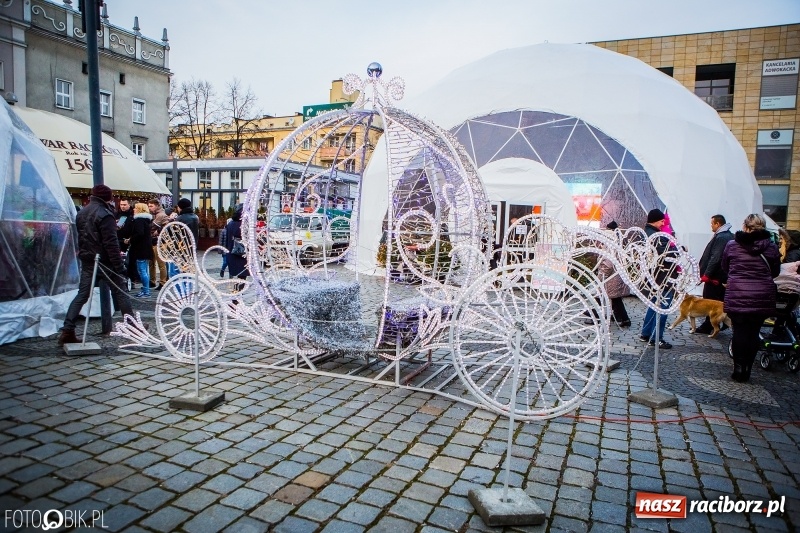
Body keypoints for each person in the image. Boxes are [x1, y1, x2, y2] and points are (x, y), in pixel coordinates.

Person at [59, 185, 135, 345]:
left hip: (88, 259)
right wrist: (120, 266)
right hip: (105, 261)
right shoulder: (105, 214)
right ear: (108, 197)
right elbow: (111, 243)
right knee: (120, 291)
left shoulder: (83, 212)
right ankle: (133, 326)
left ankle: (67, 329)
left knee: (82, 294)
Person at [722, 213, 780, 383]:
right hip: (762, 295)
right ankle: (747, 368)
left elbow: (725, 266)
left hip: (738, 294)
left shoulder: (732, 245)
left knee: (739, 332)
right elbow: (775, 272)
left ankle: (738, 368)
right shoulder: (771, 247)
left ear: (745, 226)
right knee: (754, 333)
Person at [639, 208, 676, 349]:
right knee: (662, 308)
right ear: (655, 220)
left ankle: (646, 333)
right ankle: (656, 338)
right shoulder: (657, 236)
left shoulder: (648, 233)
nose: (663, 223)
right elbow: (665, 255)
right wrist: (677, 250)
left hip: (654, 277)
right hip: (663, 277)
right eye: (661, 220)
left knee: (654, 305)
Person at [695, 214, 734, 334]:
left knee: (710, 301)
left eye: (712, 223)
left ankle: (709, 325)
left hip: (715, 277)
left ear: (718, 224)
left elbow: (716, 257)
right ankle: (721, 322)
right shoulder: (726, 236)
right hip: (719, 276)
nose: (711, 226)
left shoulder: (722, 237)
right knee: (718, 300)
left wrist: (707, 274)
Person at [598, 221, 631, 327]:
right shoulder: (618, 241)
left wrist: (602, 272)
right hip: (617, 275)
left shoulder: (610, 242)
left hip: (611, 276)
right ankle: (620, 318)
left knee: (608, 296)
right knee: (614, 298)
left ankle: (624, 319)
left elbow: (608, 263)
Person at [166, 198, 200, 278]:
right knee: (187, 272)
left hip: (179, 249)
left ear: (180, 207)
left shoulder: (180, 218)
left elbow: (170, 231)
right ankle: (189, 289)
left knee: (174, 273)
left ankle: (182, 290)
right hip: (191, 248)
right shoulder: (195, 217)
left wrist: (171, 220)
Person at [129, 203, 154, 298]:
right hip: (146, 248)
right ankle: (145, 289)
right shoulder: (146, 220)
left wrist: (131, 239)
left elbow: (140, 233)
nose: (134, 209)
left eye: (136, 208)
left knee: (142, 270)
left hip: (141, 249)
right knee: (144, 270)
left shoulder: (139, 220)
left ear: (140, 209)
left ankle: (146, 291)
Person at [225, 204, 249, 290]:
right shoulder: (243, 225)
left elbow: (227, 239)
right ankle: (235, 298)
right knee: (242, 278)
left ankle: (235, 298)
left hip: (231, 253)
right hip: (241, 254)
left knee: (237, 277)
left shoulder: (230, 223)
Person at [115, 198, 139, 287]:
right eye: (121, 205)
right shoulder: (116, 214)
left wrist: (130, 238)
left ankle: (131, 280)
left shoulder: (133, 215)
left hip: (129, 242)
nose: (123, 207)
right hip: (119, 240)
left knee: (130, 262)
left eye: (124, 205)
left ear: (129, 205)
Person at [147, 199, 170, 289]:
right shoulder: (152, 215)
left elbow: (167, 227)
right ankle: (152, 281)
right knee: (151, 262)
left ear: (157, 205)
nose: (150, 208)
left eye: (151, 206)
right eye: (149, 206)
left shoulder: (161, 215)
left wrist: (158, 231)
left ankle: (162, 282)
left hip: (159, 242)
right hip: (152, 241)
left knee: (161, 264)